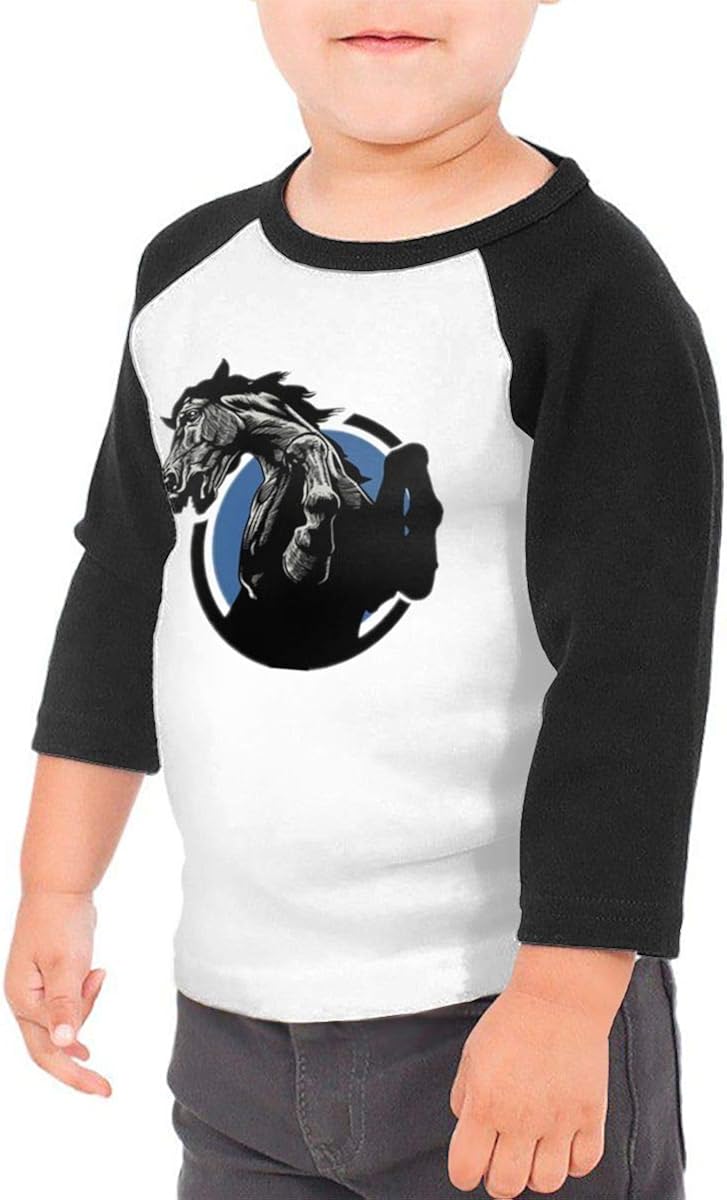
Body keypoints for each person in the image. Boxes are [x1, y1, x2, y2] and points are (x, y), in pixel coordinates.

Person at [5, 2, 722, 1197]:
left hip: (503, 1018)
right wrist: (56, 884)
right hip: (232, 1032)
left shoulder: (590, 293)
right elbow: (125, 582)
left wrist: (563, 995)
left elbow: (636, 663)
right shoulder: (187, 275)